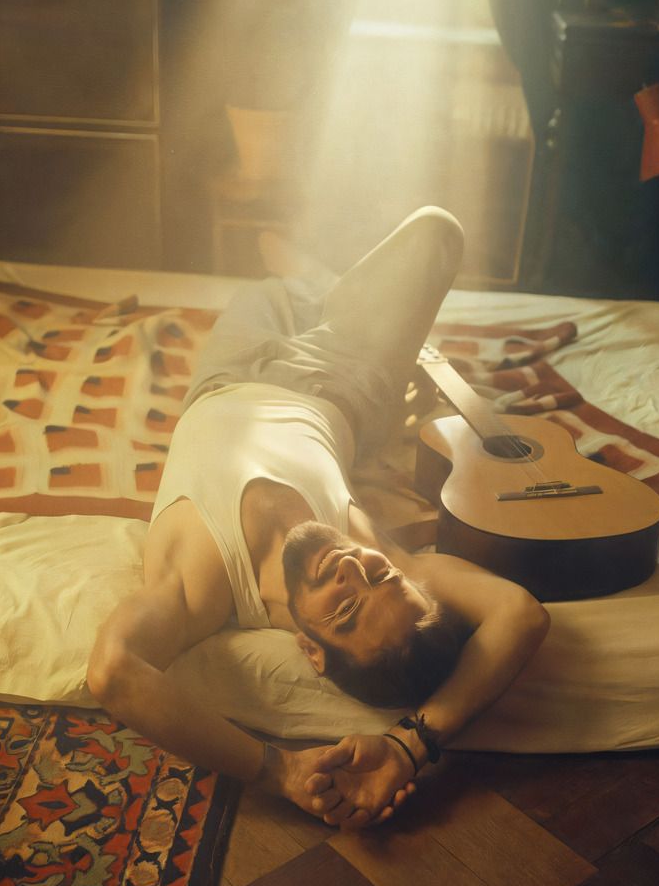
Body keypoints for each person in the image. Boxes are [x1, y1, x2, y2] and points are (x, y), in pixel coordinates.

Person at [87, 207, 550, 829]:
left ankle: (310, 279)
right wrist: (414, 744)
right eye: (380, 576)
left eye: (346, 609)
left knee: (269, 284)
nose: (351, 568)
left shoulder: (202, 587)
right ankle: (324, 284)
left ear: (309, 649)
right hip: (346, 379)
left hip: (228, 372)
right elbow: (521, 613)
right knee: (440, 230)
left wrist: (277, 771)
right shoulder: (388, 556)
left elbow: (113, 673)